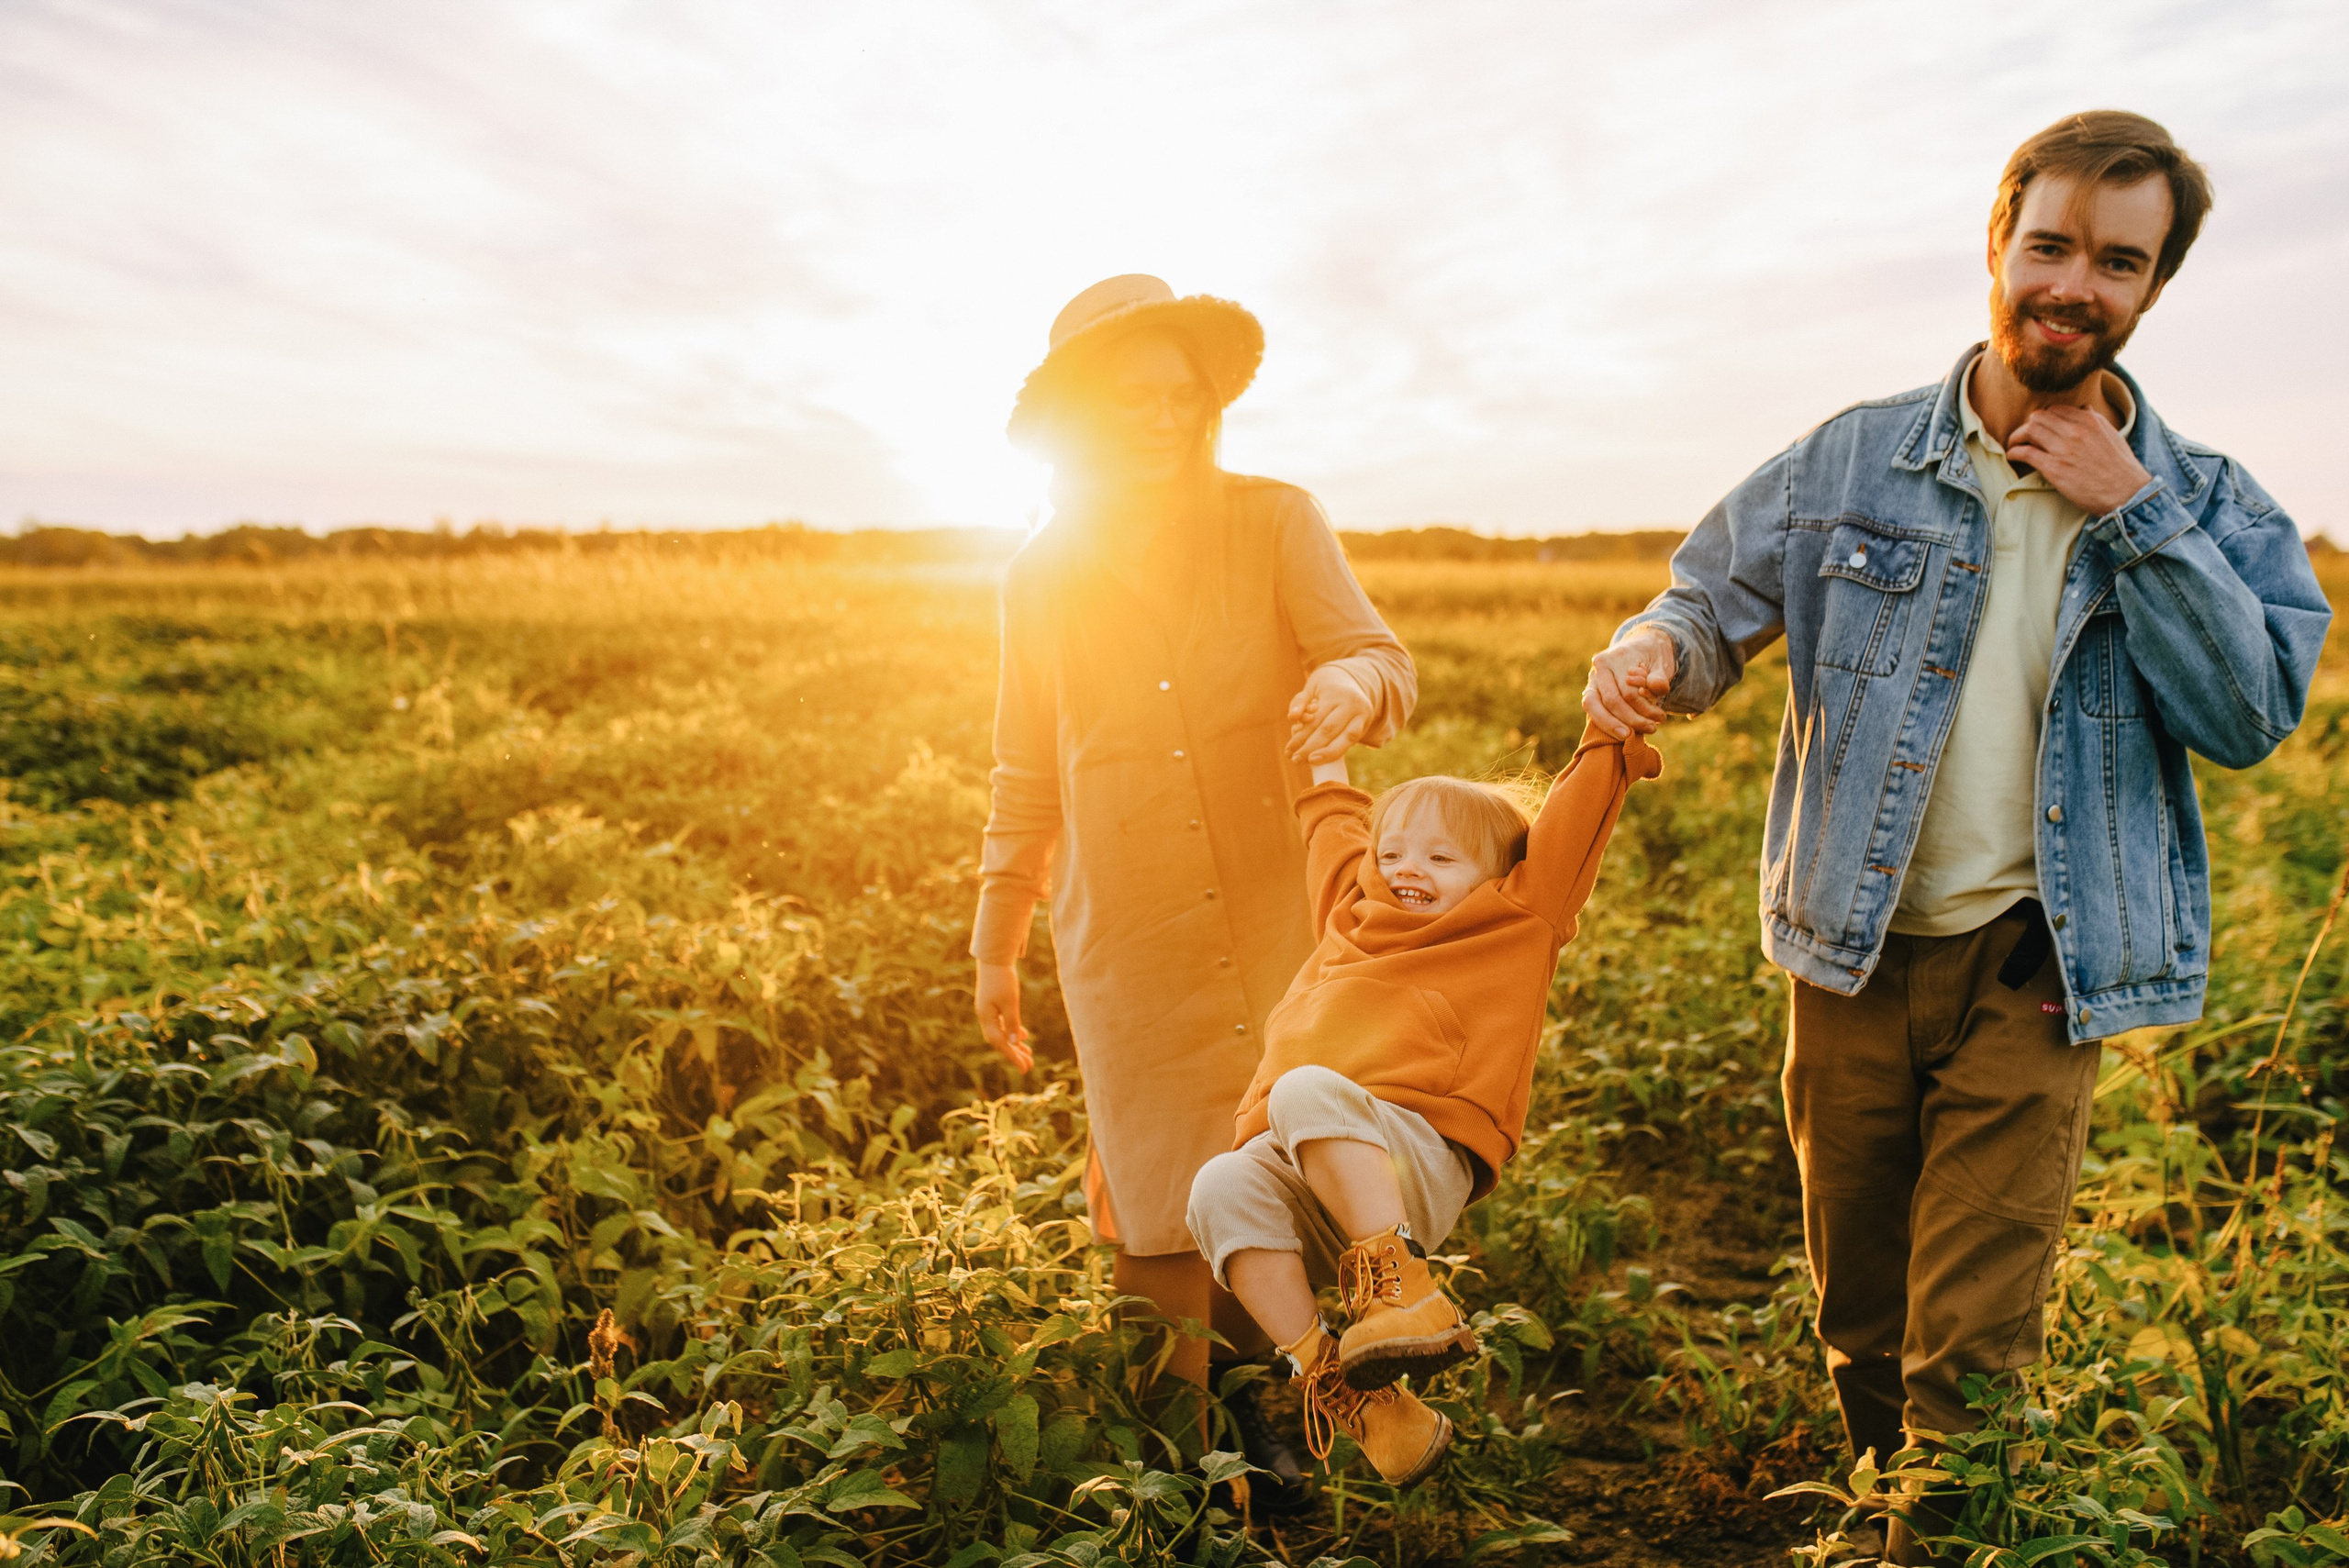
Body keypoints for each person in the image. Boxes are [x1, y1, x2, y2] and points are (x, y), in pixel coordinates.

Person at [1581, 111, 2330, 1563]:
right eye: (2050, 244)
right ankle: (1884, 1527)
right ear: (1999, 245)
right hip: (1847, 953)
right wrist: (1654, 650)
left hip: (2036, 967)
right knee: (1862, 1319)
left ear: (2153, 289)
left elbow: (2251, 715)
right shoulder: (1854, 460)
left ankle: (1938, 1540)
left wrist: (2139, 516)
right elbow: (1702, 598)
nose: (2074, 283)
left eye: (2119, 261)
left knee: (1969, 1357)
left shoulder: (2217, 504)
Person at [970, 274, 1418, 1489]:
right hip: (1127, 929)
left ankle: (1302, 1425)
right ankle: (1176, 1466)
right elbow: (1024, 768)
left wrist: (1353, 689)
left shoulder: (1274, 519)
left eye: (1182, 395)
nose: (1164, 416)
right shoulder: (1040, 574)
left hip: (1285, 916)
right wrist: (996, 935)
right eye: (1133, 397)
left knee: (1285, 1169)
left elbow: (1378, 656)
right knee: (1158, 1200)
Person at [1186, 720, 1659, 1485]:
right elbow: (1330, 816)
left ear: (1501, 873)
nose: (1408, 868)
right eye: (1394, 851)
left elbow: (1576, 824)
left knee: (1306, 1086)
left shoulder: (1516, 920)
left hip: (1416, 1154)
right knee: (1218, 1184)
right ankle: (1344, 1389)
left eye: (1442, 858)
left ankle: (1403, 1287)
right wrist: (1319, 730)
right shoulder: (1352, 909)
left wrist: (1611, 731)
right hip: (1303, 1156)